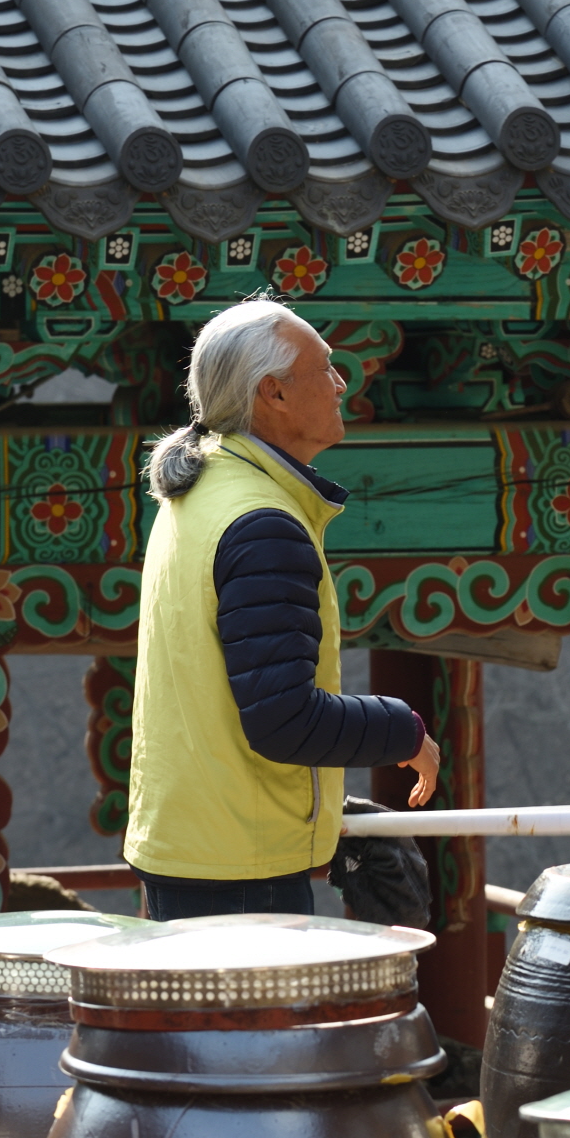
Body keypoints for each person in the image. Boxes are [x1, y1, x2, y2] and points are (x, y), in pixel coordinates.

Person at [126, 298, 438, 919]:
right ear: (274, 393)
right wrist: (406, 730)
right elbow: (284, 720)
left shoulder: (201, 492)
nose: (342, 383)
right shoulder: (262, 523)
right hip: (241, 864)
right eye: (325, 369)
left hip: (196, 844)